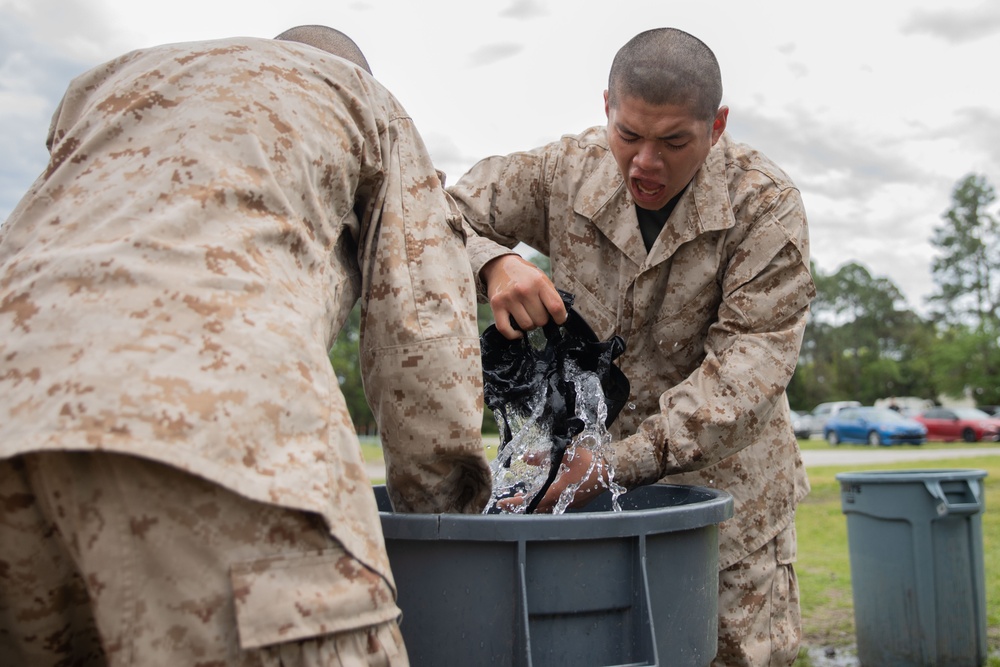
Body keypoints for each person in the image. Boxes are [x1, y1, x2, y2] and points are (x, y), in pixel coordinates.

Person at [0, 25, 491, 666]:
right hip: (213, 428)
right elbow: (424, 326)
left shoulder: (109, 89)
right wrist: (440, 512)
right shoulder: (368, 105)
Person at [448, 27, 815, 667]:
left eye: (674, 141)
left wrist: (618, 463)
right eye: (628, 136)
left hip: (723, 511)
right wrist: (493, 262)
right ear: (607, 110)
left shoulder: (765, 206)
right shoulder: (564, 171)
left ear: (717, 125)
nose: (646, 162)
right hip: (581, 506)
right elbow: (436, 216)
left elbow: (747, 373)